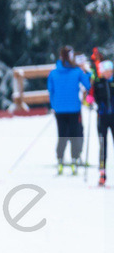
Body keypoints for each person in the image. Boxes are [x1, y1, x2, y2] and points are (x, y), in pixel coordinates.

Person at [47, 45, 91, 174]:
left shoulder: (53, 73)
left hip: (59, 109)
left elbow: (51, 90)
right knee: (74, 133)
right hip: (74, 108)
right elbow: (88, 84)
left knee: (62, 134)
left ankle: (60, 158)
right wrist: (86, 71)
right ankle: (75, 157)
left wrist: (54, 105)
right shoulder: (77, 71)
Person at [93, 60, 114, 186]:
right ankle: (102, 173)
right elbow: (91, 97)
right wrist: (89, 100)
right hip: (102, 117)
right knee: (103, 145)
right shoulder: (98, 83)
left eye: (109, 71)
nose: (107, 74)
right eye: (105, 71)